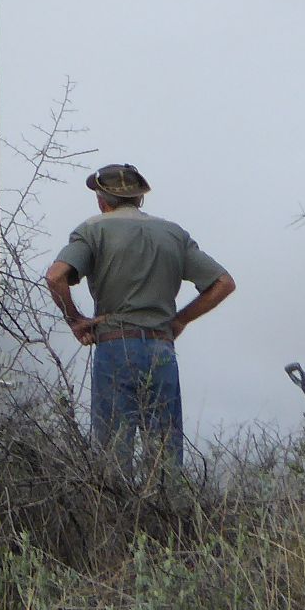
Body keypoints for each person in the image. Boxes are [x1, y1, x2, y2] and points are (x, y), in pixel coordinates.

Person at [44, 163, 237, 476]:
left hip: (115, 347)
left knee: (112, 457)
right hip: (161, 350)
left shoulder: (92, 230)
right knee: (165, 457)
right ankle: (167, 520)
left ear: (101, 198)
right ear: (139, 198)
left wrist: (75, 320)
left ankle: (115, 521)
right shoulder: (173, 233)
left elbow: (55, 277)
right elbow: (223, 283)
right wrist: (179, 321)